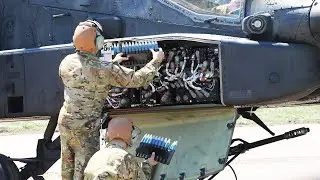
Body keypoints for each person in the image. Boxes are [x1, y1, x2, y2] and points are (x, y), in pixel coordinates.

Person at [58, 19, 165, 180]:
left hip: (66, 122)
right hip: (86, 127)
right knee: (86, 170)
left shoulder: (66, 62)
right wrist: (156, 60)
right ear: (97, 42)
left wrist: (112, 64)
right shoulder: (105, 69)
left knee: (67, 168)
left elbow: (88, 76)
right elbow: (137, 80)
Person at [84, 117, 158, 180]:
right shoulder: (126, 158)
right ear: (131, 135)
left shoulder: (96, 157)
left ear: (107, 134)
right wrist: (148, 164)